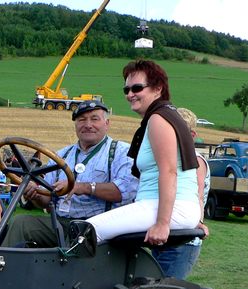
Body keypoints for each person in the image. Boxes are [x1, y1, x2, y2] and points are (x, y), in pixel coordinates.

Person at [86, 60, 200, 245]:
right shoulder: (166, 115)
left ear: (158, 88)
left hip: (169, 208)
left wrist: (163, 223)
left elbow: (169, 171)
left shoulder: (158, 119)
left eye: (137, 88)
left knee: (85, 231)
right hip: (172, 208)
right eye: (126, 90)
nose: (130, 94)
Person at [3, 100, 137, 247]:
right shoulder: (62, 155)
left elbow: (124, 193)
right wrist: (34, 193)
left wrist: (82, 187)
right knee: (20, 223)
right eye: (82, 120)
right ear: (75, 125)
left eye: (94, 119)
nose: (88, 125)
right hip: (61, 222)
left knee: (74, 242)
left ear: (107, 123)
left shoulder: (121, 152)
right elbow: (47, 201)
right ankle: (1, 265)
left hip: (99, 225)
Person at [151, 107, 211, 278]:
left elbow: (197, 194)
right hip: (165, 236)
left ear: (191, 136)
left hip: (183, 240)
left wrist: (198, 222)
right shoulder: (169, 158)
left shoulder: (195, 160)